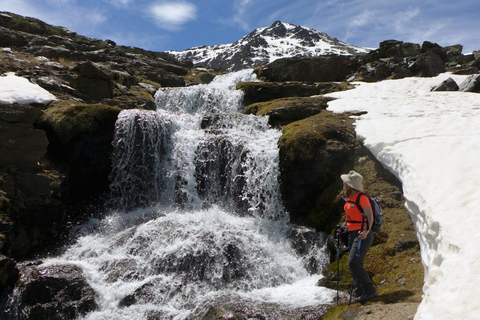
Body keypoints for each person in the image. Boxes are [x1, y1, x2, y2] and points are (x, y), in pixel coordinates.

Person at [341, 170, 378, 304]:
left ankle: (369, 291)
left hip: (362, 235)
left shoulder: (361, 197)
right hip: (352, 233)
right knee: (356, 262)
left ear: (351, 185)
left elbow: (370, 216)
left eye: (345, 182)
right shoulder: (350, 197)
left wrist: (366, 232)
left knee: (353, 262)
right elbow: (351, 214)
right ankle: (359, 291)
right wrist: (344, 226)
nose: (343, 183)